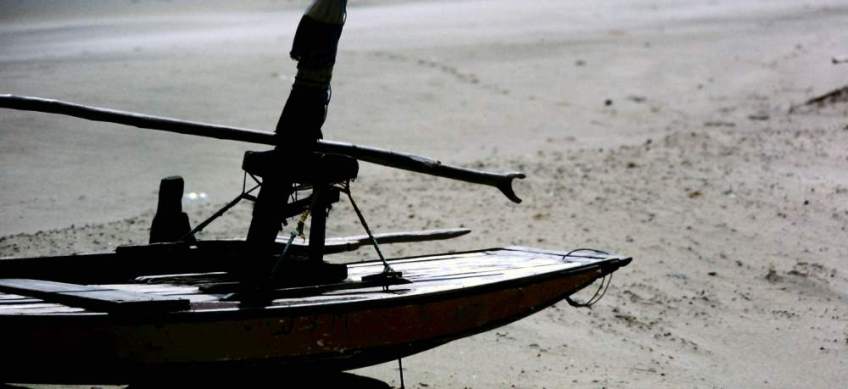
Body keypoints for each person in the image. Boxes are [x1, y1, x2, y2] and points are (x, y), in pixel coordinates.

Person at [242, 0, 348, 285]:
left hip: (303, 100)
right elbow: (302, 52)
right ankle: (259, 262)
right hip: (307, 100)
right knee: (283, 176)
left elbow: (297, 51)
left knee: (277, 182)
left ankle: (257, 256)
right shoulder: (329, 10)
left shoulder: (322, 9)